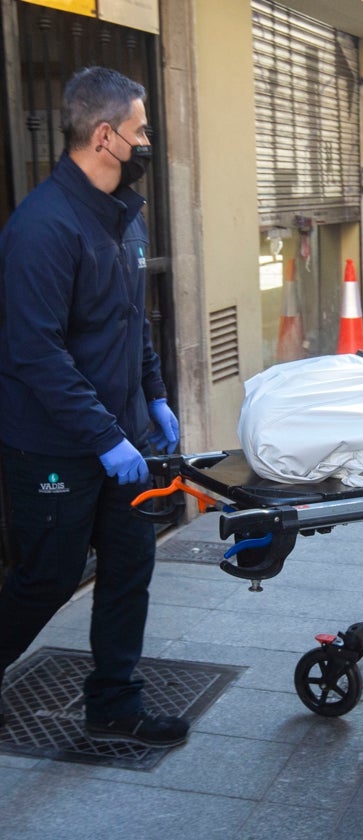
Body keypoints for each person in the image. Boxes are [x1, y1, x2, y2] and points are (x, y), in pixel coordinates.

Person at [0, 67, 188, 748]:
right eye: (140, 133)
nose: (147, 145)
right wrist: (107, 437)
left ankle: (115, 703)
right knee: (47, 576)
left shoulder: (123, 221)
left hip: (125, 438)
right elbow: (36, 352)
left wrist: (156, 396)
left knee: (130, 568)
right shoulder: (43, 228)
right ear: (104, 137)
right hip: (55, 447)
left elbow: (131, 322)